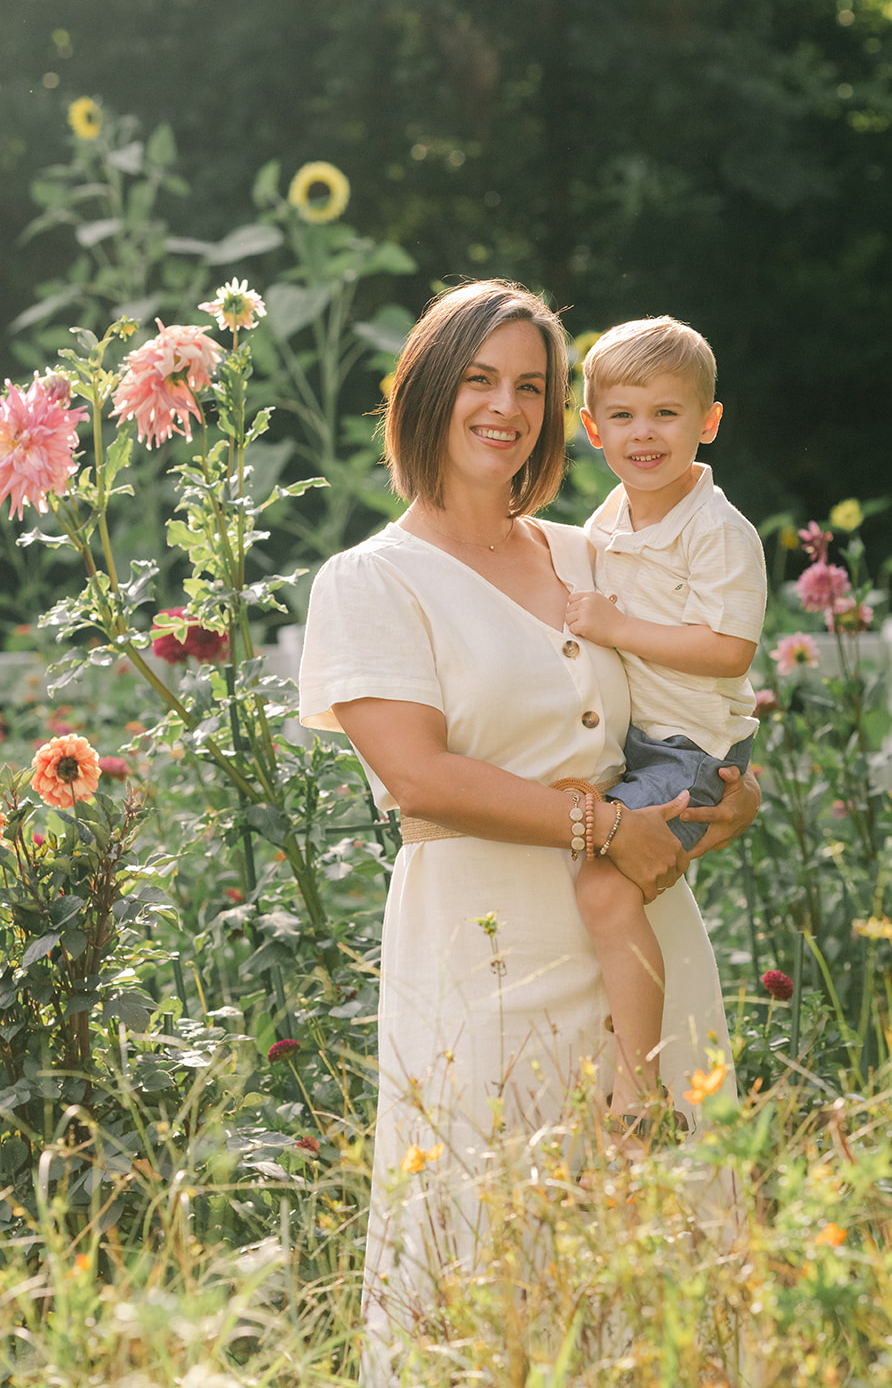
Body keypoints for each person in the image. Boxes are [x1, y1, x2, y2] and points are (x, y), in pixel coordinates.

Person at [297, 280, 759, 1383]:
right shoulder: (369, 581)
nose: (504, 406)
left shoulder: (593, 553)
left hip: (645, 941)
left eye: (531, 387)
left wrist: (719, 804)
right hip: (484, 956)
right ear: (418, 392)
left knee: (668, 1262)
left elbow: (688, 687)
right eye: (476, 379)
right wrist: (598, 819)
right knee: (491, 1257)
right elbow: (418, 776)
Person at [564, 317, 766, 1130]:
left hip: (690, 748)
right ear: (592, 430)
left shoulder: (719, 531)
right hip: (639, 742)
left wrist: (618, 630)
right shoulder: (604, 524)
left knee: (605, 888)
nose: (643, 433)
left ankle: (641, 1092)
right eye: (622, 415)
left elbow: (727, 650)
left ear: (707, 422)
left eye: (666, 413)